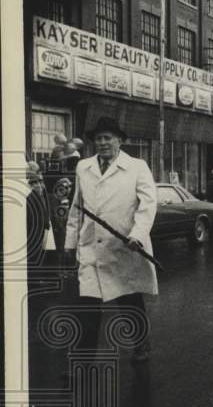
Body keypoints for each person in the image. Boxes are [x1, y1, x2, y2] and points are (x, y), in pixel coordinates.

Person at [63, 117, 158, 362]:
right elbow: (77, 206)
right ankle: (83, 360)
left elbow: (148, 205)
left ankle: (141, 343)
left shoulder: (137, 167)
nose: (102, 143)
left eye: (108, 138)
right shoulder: (83, 167)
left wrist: (137, 234)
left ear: (119, 141)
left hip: (123, 247)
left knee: (128, 300)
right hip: (91, 248)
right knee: (88, 306)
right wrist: (70, 243)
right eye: (98, 139)